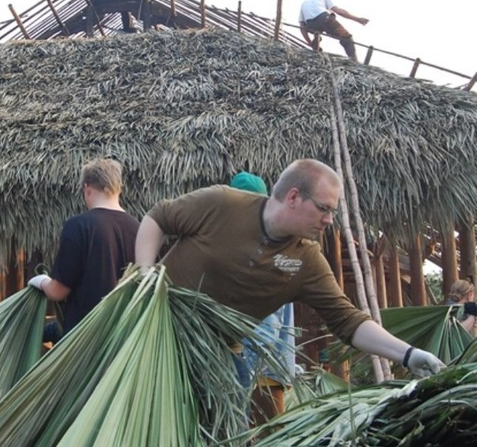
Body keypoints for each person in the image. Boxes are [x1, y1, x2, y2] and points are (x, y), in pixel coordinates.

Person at [135, 159, 445, 406]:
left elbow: (347, 320)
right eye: (324, 208)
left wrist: (409, 354)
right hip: (151, 332)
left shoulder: (307, 261)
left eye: (332, 212)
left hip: (214, 359)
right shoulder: (222, 203)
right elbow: (159, 217)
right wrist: (145, 273)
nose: (328, 220)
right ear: (294, 197)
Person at [28, 158, 140, 342]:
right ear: (118, 189)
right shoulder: (138, 229)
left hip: (84, 343)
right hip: (123, 341)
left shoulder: (79, 226)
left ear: (87, 189)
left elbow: (58, 291)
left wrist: (40, 282)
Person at [229, 172, 297, 421]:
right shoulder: (278, 242)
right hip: (269, 355)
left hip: (259, 354)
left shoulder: (267, 244)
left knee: (257, 427)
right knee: (269, 427)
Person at [299, 0, 368, 62]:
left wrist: (309, 43)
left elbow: (302, 26)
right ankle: (355, 62)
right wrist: (358, 19)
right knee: (347, 38)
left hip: (311, 25)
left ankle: (316, 38)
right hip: (324, 19)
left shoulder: (304, 3)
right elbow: (339, 11)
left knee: (317, 33)